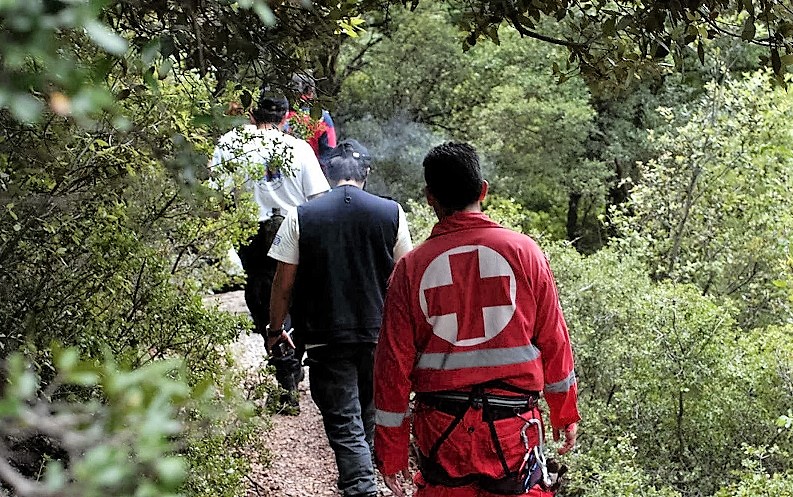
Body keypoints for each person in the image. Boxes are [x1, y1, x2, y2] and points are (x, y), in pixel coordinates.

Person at [373, 142, 580, 497]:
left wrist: (391, 452)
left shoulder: (411, 269)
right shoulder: (525, 252)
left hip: (441, 435)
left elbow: (392, 367)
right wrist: (564, 412)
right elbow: (554, 341)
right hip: (514, 432)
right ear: (483, 190)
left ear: (429, 197)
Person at [267, 139, 413, 497]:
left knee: (344, 422)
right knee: (366, 416)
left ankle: (360, 488)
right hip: (379, 336)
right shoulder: (391, 213)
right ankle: (359, 482)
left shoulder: (302, 215)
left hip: (324, 336)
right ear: (366, 172)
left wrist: (275, 329)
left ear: (328, 172)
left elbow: (283, 283)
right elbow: (404, 279)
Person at [210, 90, 330, 412]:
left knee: (265, 302)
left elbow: (215, 201)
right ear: (286, 117)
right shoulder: (300, 148)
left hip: (251, 232)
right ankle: (291, 368)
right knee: (294, 297)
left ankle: (286, 379)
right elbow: (319, 200)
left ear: (253, 115)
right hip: (294, 231)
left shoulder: (229, 145)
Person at [284, 72, 337, 164]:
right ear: (310, 92)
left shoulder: (282, 116)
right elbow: (329, 153)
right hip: (313, 171)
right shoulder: (322, 118)